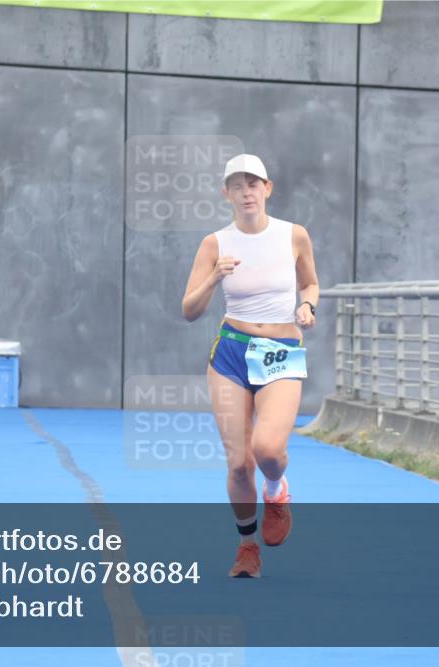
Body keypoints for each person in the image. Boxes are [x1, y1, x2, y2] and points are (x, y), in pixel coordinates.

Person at [181, 154, 319, 579]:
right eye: (237, 185)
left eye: (253, 184)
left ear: (268, 188)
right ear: (226, 193)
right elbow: (189, 309)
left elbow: (310, 282)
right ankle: (247, 545)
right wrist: (213, 278)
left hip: (279, 349)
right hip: (231, 353)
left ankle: (276, 492)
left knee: (268, 452)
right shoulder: (214, 244)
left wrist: (307, 304)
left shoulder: (293, 235)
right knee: (239, 462)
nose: (246, 192)